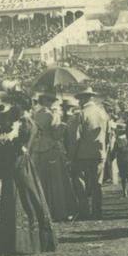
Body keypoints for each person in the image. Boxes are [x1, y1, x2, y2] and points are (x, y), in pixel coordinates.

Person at [0, 86, 57, 255]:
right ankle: (24, 242)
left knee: (23, 200)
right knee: (27, 199)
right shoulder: (23, 122)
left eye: (12, 104)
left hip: (18, 166)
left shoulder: (25, 124)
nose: (10, 107)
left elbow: (17, 145)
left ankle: (22, 243)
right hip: (19, 165)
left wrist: (0, 142)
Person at [65, 86, 110, 221]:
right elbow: (108, 135)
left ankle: (84, 211)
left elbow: (75, 138)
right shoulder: (103, 113)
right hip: (99, 153)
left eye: (79, 99)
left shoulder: (81, 114)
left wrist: (71, 156)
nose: (78, 101)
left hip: (82, 154)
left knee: (80, 183)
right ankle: (97, 211)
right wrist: (106, 151)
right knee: (97, 184)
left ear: (84, 99)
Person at [30, 92, 74, 221]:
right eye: (50, 100)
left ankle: (42, 209)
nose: (52, 102)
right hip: (50, 148)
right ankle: (57, 210)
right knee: (56, 180)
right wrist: (63, 125)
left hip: (38, 148)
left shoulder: (36, 114)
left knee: (41, 180)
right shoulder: (51, 114)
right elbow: (56, 135)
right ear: (45, 101)